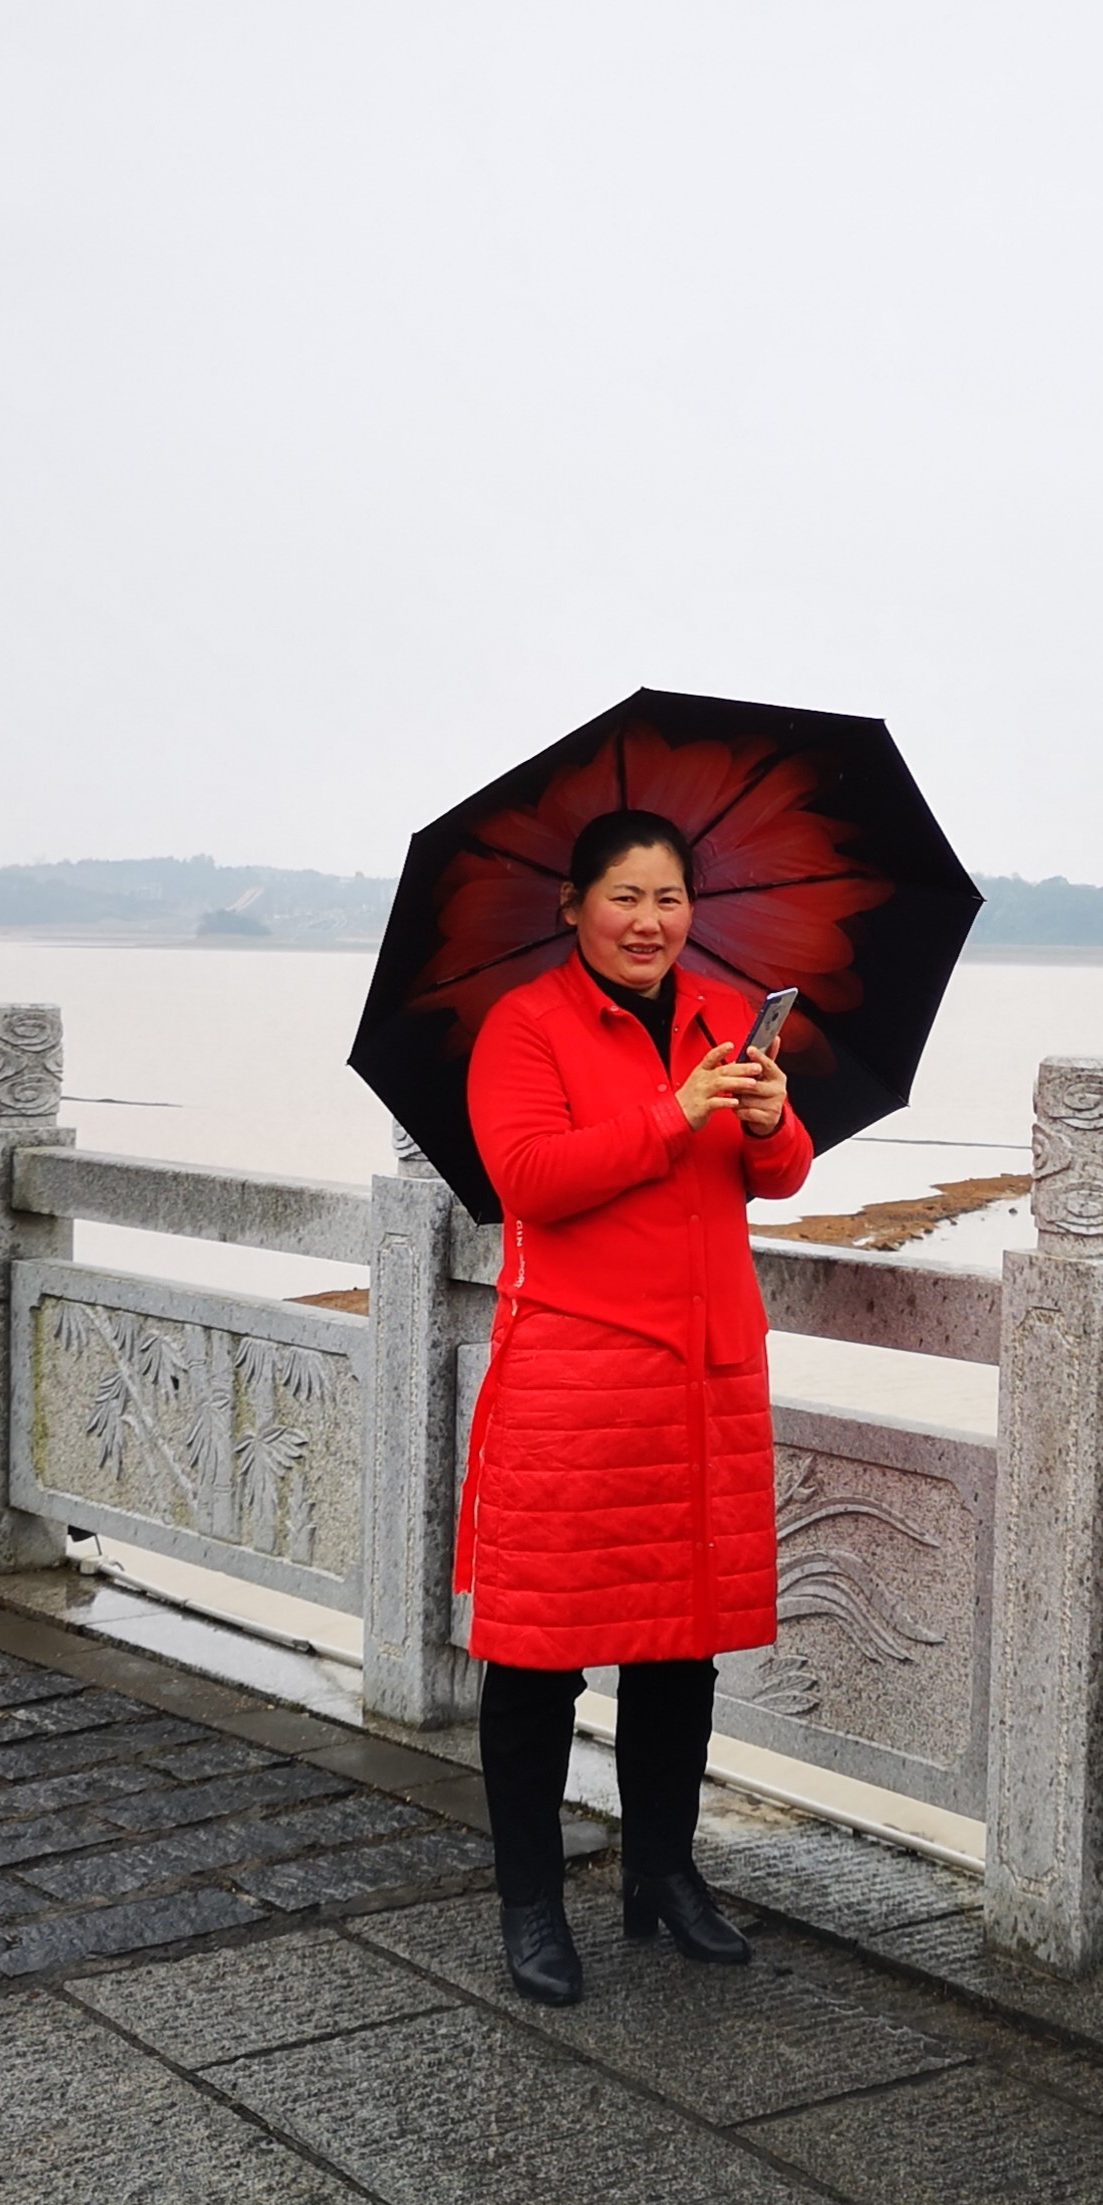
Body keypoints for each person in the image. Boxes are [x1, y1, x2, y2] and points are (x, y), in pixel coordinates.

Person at [459, 807, 813, 2004]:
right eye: (624, 896)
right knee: (539, 1655)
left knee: (679, 1646)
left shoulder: (724, 1012)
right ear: (573, 907)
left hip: (704, 1375)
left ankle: (665, 1871)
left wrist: (768, 1119)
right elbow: (529, 1180)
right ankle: (530, 1902)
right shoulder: (527, 1025)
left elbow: (778, 1174)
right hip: (576, 1378)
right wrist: (676, 1111)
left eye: (669, 898)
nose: (650, 922)